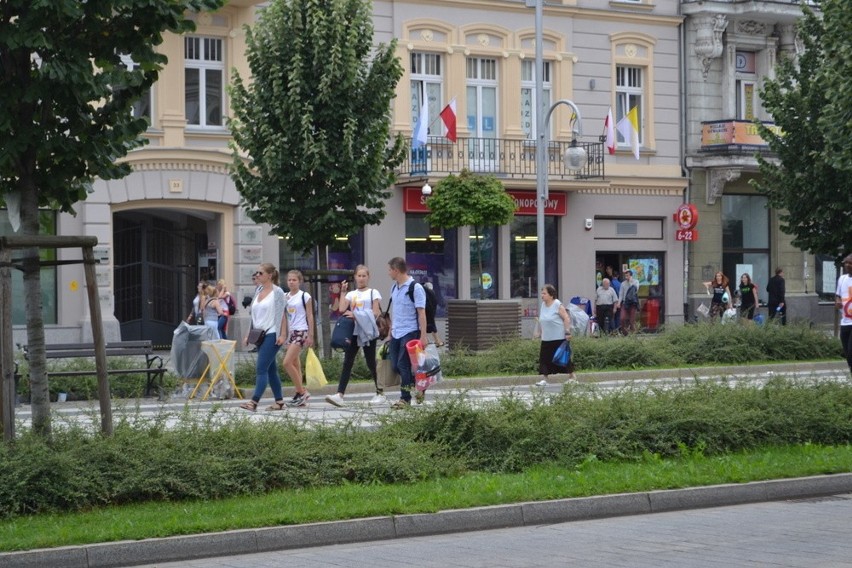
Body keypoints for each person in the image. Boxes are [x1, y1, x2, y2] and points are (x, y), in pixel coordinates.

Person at [326, 265, 385, 407]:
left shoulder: (373, 292)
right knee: (348, 362)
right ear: (355, 277)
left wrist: (356, 314)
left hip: (367, 332)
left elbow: (376, 312)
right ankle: (340, 394)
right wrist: (343, 292)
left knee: (371, 362)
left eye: (364, 276)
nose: (361, 278)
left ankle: (380, 392)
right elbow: (341, 309)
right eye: (359, 276)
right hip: (353, 331)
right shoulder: (351, 294)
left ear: (368, 277)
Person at [239, 263, 287, 412]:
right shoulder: (258, 290)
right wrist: (248, 333)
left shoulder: (277, 292)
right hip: (259, 334)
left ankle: (254, 402)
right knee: (271, 370)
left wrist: (283, 334)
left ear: (269, 275)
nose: (257, 275)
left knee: (261, 369)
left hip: (272, 334)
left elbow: (282, 315)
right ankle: (279, 402)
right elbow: (253, 315)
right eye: (256, 273)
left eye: (260, 273)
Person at [386, 257, 427, 409]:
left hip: (410, 331)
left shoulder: (415, 288)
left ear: (396, 270)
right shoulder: (394, 287)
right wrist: (391, 331)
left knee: (403, 365)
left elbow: (421, 313)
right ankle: (420, 384)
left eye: (390, 270)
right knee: (395, 365)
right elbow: (394, 311)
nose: (389, 273)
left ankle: (405, 399)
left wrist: (423, 335)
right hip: (396, 331)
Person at [281, 270, 315, 407]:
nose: (291, 282)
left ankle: (302, 392)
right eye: (289, 280)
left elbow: (310, 315)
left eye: (294, 280)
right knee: (295, 364)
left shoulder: (304, 296)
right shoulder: (285, 296)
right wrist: (283, 334)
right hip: (291, 331)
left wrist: (310, 335)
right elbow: (283, 317)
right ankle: (298, 393)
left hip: (301, 330)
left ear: (299, 281)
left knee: (286, 362)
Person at [533, 284, 575, 385]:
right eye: (542, 293)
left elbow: (566, 318)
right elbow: (543, 320)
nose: (542, 295)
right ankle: (545, 379)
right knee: (544, 359)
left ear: (551, 295)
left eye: (544, 293)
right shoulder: (543, 305)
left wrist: (567, 332)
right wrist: (539, 333)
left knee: (563, 358)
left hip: (558, 337)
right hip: (546, 338)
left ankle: (573, 377)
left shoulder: (557, 304)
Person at [835, 254, 852, 376]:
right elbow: (838, 295)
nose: (847, 265)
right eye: (845, 263)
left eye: (850, 263)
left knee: (851, 352)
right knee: (847, 354)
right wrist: (837, 301)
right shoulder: (842, 279)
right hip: (845, 321)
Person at [618, 269, 640, 334]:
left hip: (633, 303)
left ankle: (633, 334)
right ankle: (624, 332)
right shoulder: (623, 283)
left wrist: (630, 282)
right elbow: (621, 294)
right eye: (625, 275)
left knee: (631, 320)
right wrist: (619, 302)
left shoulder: (636, 282)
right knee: (622, 318)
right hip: (625, 303)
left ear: (631, 275)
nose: (626, 277)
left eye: (627, 275)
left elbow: (635, 290)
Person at [423, 281, 444, 347]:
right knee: (431, 327)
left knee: (427, 327)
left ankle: (436, 341)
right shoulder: (431, 294)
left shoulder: (425, 295)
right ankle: (437, 341)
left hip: (427, 313)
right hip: (429, 314)